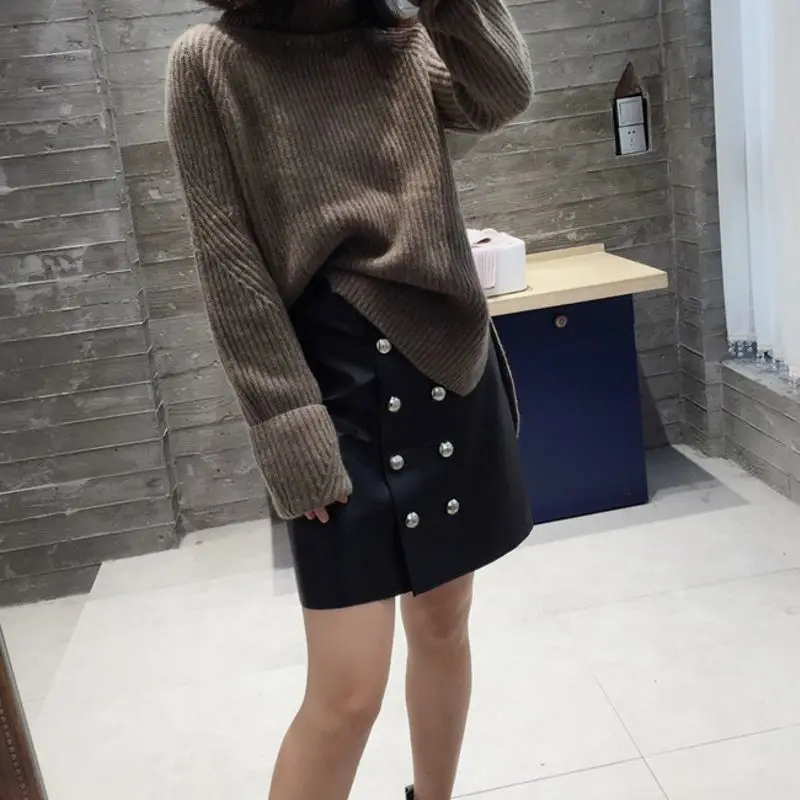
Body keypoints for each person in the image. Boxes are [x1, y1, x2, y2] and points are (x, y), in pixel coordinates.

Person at [166, 0, 534, 797]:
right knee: (346, 693)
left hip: (446, 362)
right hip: (329, 386)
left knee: (444, 625)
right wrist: (286, 423)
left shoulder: (399, 37)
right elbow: (228, 262)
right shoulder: (209, 62)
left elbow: (499, 94)